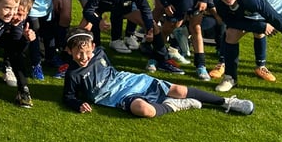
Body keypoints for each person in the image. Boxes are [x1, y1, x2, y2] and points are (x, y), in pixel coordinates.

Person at [62, 30, 254, 117]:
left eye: (87, 51)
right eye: (79, 53)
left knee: (178, 89)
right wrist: (78, 104)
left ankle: (226, 102)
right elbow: (68, 96)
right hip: (116, 97)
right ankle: (174, 106)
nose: (84, 56)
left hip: (128, 81)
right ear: (69, 52)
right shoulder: (73, 74)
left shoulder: (100, 53)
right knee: (144, 110)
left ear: (93, 47)